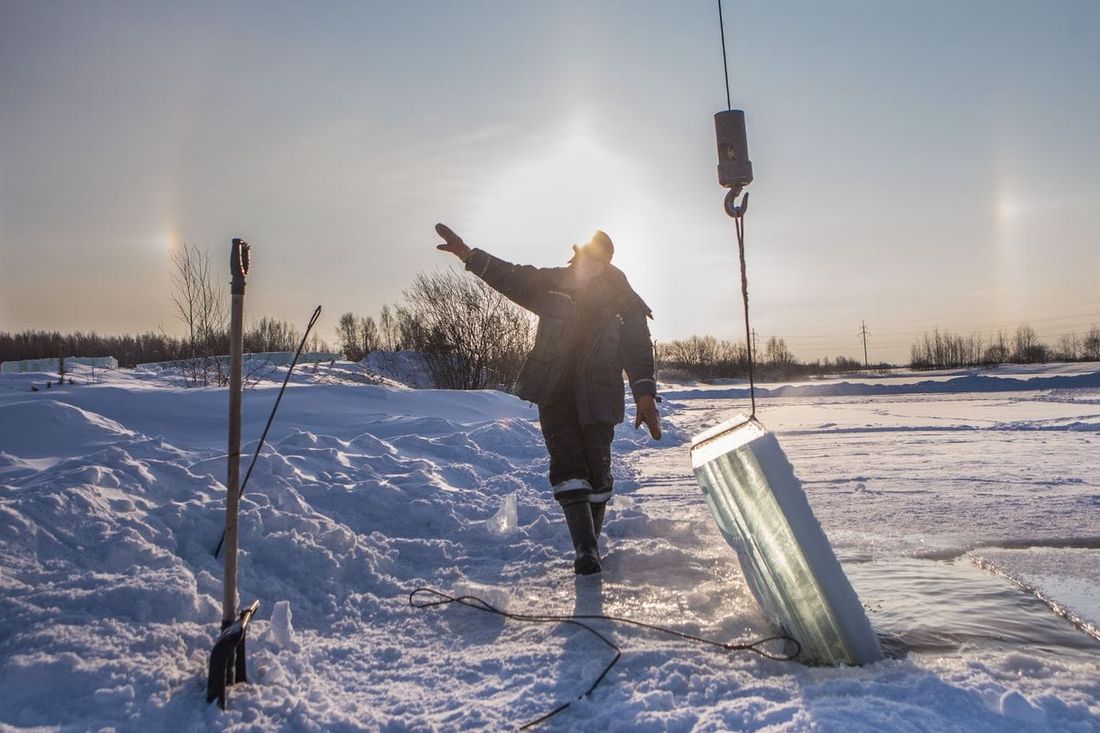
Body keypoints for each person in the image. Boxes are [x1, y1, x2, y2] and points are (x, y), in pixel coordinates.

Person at [435, 223, 661, 574]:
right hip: (554, 389)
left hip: (600, 394)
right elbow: (511, 276)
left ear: (605, 265)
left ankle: (592, 542)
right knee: (567, 462)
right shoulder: (555, 283)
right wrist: (468, 254)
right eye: (580, 258)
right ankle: (585, 551)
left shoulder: (625, 303)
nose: (582, 266)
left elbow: (638, 350)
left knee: (598, 472)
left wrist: (645, 395)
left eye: (591, 261)